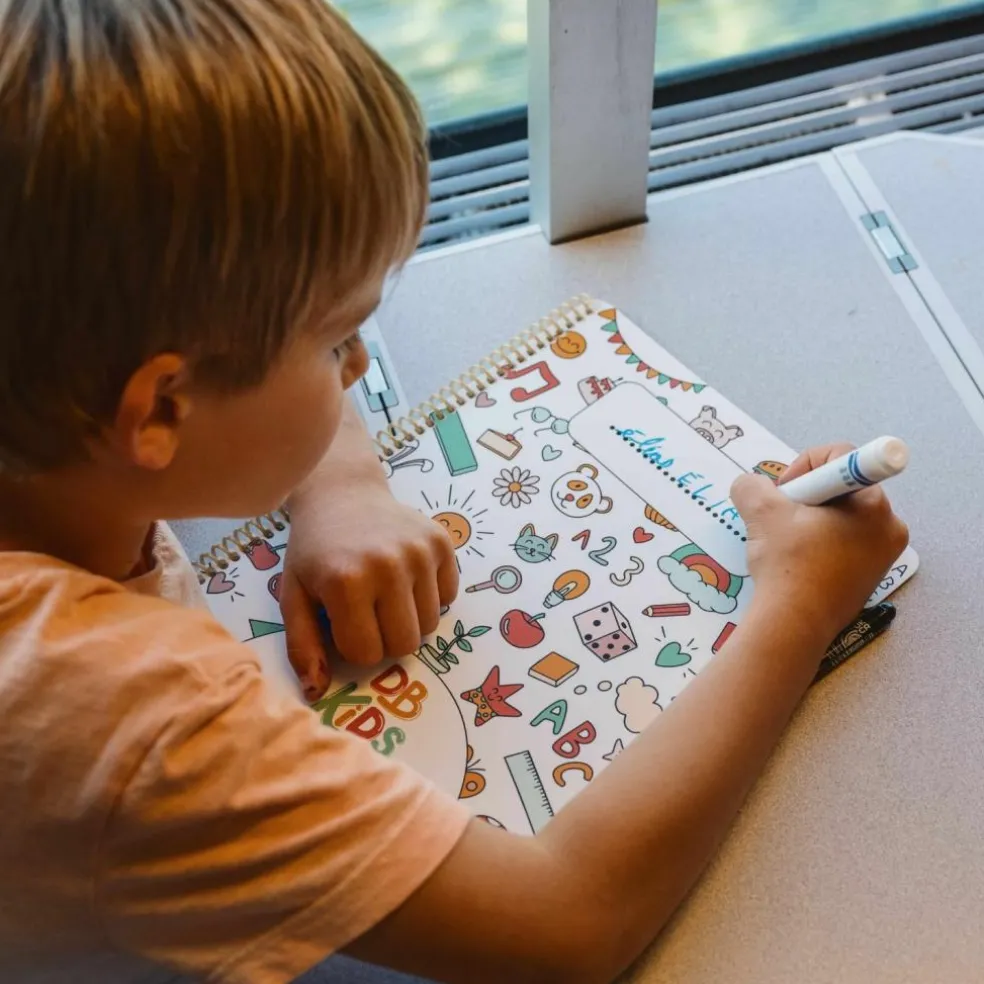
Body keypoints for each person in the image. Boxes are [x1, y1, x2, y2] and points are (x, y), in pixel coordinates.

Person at [0, 2, 909, 983]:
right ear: (159, 412)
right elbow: (567, 920)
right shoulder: (134, 720)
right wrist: (799, 605)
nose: (358, 367)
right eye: (337, 341)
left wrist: (340, 480)